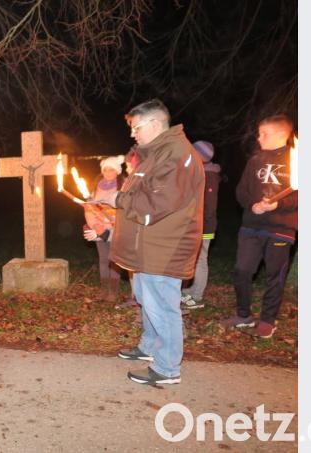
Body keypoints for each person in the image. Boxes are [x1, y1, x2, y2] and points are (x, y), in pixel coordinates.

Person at [101, 99, 205, 385]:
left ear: (156, 124)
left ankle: (167, 368)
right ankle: (150, 347)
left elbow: (158, 203)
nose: (132, 134)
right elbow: (140, 192)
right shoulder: (157, 154)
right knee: (147, 299)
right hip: (147, 246)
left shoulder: (177, 155)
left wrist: (117, 199)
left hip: (165, 246)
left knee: (162, 306)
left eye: (136, 128)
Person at [221, 114, 297, 339]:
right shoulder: (255, 161)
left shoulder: (296, 160)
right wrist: (253, 205)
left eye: (264, 134)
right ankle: (243, 315)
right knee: (242, 270)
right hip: (251, 226)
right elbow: (241, 191)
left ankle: (268, 320)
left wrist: (278, 204)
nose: (259, 137)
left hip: (281, 228)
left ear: (281, 134)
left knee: (275, 275)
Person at [180, 141, 221, 310]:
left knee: (200, 259)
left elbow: (209, 205)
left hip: (204, 226)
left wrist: (201, 225)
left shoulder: (209, 176)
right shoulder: (198, 172)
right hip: (194, 224)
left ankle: (197, 296)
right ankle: (189, 290)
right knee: (192, 259)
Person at [83, 155, 124, 303]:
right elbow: (89, 208)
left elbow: (122, 211)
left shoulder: (122, 187)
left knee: (114, 260)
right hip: (99, 231)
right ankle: (104, 289)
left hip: (115, 230)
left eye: (111, 170)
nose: (108, 173)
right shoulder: (95, 188)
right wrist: (95, 226)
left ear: (117, 172)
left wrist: (110, 224)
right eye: (105, 170)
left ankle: (113, 291)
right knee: (103, 260)